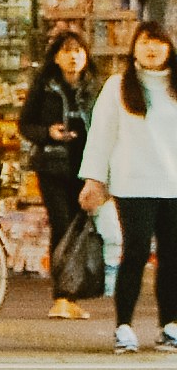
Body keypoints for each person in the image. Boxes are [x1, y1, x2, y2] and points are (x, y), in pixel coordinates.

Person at [87, 19, 177, 351]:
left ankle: (170, 324)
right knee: (135, 254)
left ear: (169, 47)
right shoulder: (118, 86)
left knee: (172, 258)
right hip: (133, 184)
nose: (152, 48)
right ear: (134, 48)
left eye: (158, 42)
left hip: (173, 185)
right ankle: (123, 326)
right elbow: (101, 136)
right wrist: (94, 180)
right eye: (145, 42)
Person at [25, 26, 98, 319]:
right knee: (62, 224)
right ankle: (62, 295)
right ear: (55, 58)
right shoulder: (44, 87)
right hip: (52, 166)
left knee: (79, 229)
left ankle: (73, 295)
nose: (73, 57)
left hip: (85, 167)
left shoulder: (95, 88)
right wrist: (48, 132)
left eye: (78, 51)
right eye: (66, 51)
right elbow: (25, 124)